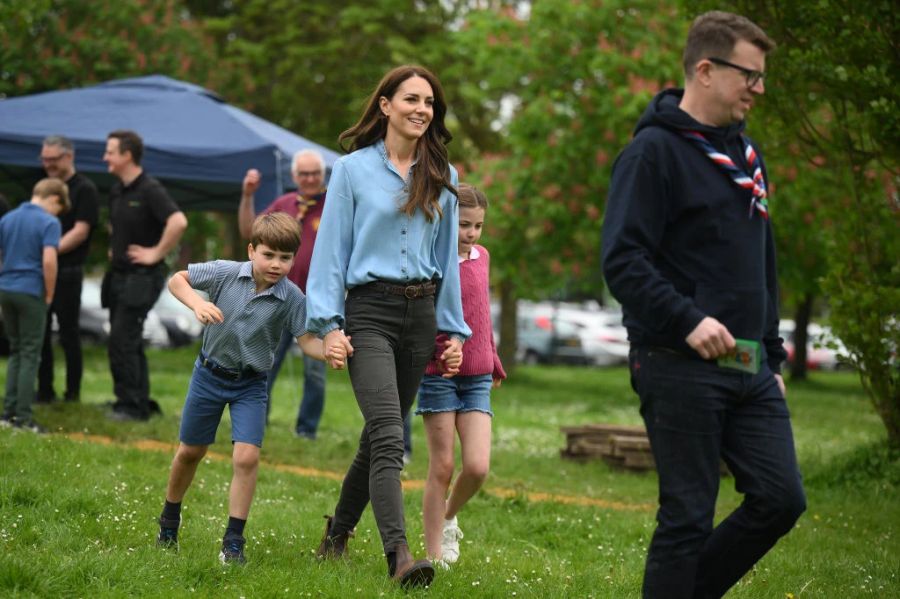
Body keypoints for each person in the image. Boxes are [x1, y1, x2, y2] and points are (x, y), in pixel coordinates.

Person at [601, 11, 806, 598]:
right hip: (676, 361)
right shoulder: (652, 155)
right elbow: (623, 260)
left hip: (749, 367)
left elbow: (759, 262)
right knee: (687, 515)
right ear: (707, 70)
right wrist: (688, 320)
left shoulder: (747, 155)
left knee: (781, 498)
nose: (759, 89)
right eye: (751, 75)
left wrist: (771, 355)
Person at [306, 64, 470, 589]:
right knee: (389, 436)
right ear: (385, 105)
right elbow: (331, 252)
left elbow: (446, 259)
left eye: (429, 103)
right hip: (369, 313)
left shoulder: (444, 175)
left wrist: (453, 332)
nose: (421, 109)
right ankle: (398, 555)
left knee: (377, 435)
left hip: (420, 317)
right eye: (411, 99)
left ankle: (337, 534)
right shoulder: (351, 170)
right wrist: (329, 325)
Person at [155, 213, 346, 565]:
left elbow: (306, 342)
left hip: (251, 385)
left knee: (247, 457)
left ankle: (233, 540)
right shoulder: (227, 272)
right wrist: (197, 303)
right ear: (251, 250)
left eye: (285, 258)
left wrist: (330, 352)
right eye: (269, 254)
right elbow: (177, 280)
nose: (276, 264)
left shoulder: (291, 297)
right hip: (208, 377)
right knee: (190, 452)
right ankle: (169, 520)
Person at [417, 183, 505, 567]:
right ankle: (434, 555)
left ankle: (450, 517)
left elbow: (480, 314)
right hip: (439, 374)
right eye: (464, 224)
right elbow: (425, 321)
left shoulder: (482, 257)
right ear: (447, 221)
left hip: (478, 377)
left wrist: (493, 359)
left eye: (478, 226)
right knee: (443, 466)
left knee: (477, 467)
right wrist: (441, 351)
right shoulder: (432, 263)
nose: (471, 233)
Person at [237, 150, 328, 437]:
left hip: (317, 303)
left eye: (315, 173)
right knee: (267, 361)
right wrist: (248, 196)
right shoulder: (283, 204)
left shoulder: (334, 204)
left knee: (315, 370)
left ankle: (306, 431)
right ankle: (255, 422)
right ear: (293, 177)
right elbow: (248, 232)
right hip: (278, 298)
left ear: (323, 174)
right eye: (304, 174)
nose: (310, 179)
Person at [104, 130, 188, 421]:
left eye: (110, 151)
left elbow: (178, 221)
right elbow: (117, 226)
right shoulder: (117, 191)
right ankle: (135, 400)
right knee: (128, 339)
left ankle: (130, 407)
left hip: (142, 278)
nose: (105, 157)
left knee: (122, 338)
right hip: (118, 276)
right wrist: (115, 247)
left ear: (127, 155)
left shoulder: (149, 189)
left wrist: (155, 252)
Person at [0, 178, 70, 432]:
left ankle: (7, 414)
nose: (57, 213)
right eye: (58, 208)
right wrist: (49, 293)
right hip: (31, 291)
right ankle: (23, 418)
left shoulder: (7, 219)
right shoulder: (49, 222)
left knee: (16, 351)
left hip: (6, 289)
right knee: (30, 353)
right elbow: (49, 261)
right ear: (54, 199)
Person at [36, 135, 100, 404]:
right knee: (39, 331)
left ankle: (72, 394)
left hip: (68, 271)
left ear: (69, 157)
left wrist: (50, 249)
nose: (48, 164)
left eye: (53, 159)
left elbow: (81, 231)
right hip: (42, 269)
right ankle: (44, 390)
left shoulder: (84, 189)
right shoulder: (41, 186)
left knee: (68, 333)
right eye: (45, 159)